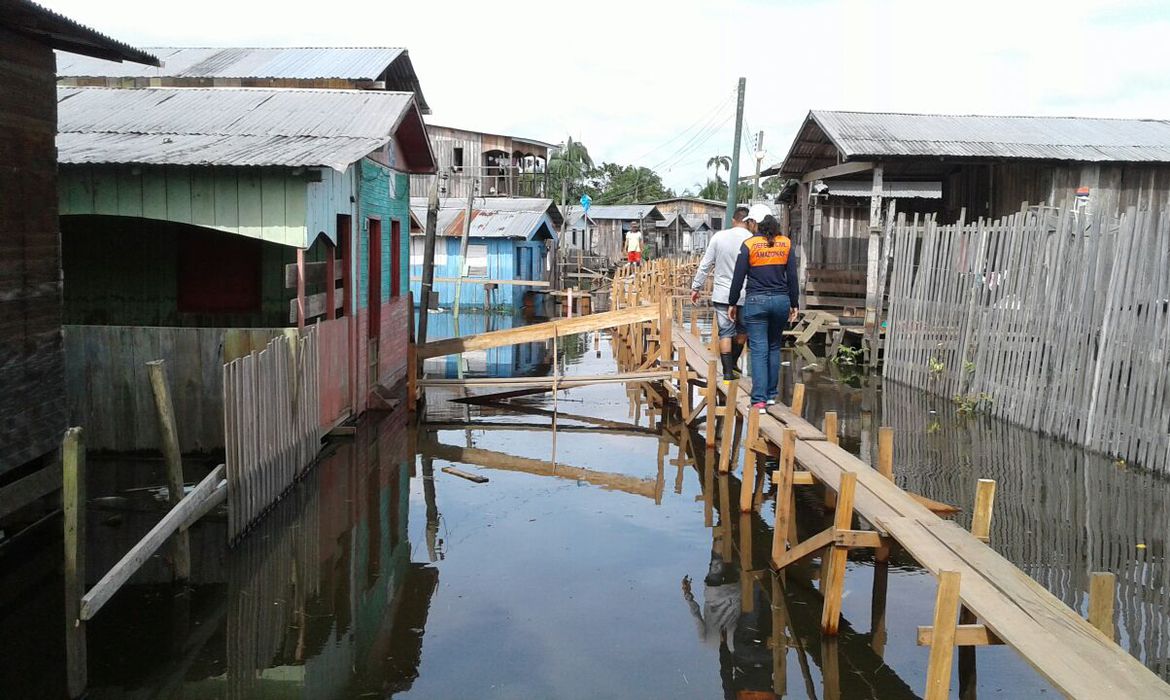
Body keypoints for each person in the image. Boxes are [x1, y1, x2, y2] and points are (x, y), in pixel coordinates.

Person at [728, 206, 799, 413]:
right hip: (780, 301)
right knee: (774, 347)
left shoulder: (749, 245)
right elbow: (792, 278)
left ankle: (758, 400)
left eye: (750, 223)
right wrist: (794, 303)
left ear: (754, 223)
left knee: (758, 350)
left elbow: (738, 277)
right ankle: (770, 396)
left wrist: (733, 303)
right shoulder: (785, 243)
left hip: (756, 301)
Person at [690, 206, 752, 381]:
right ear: (749, 221)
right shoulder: (753, 239)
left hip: (723, 293)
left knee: (725, 332)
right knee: (742, 330)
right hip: (746, 293)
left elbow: (705, 264)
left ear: (733, 220)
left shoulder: (719, 237)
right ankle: (732, 364)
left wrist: (696, 287)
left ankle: (726, 373)